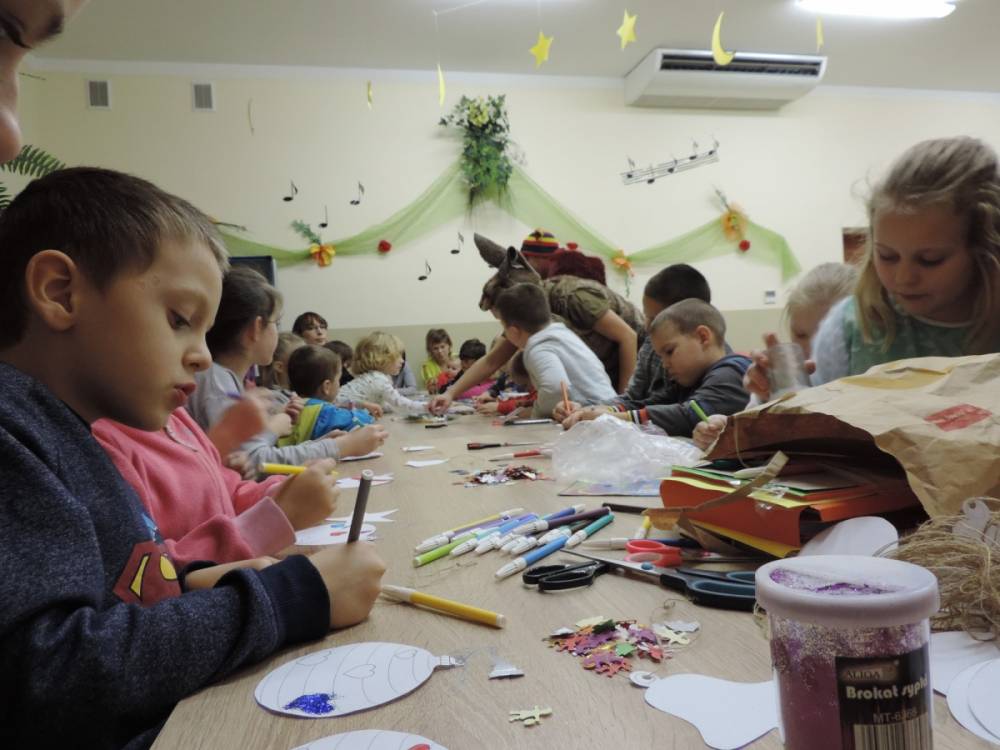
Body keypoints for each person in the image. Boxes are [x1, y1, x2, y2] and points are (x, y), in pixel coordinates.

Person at [0, 167, 385, 749]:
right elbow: (51, 675)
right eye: (180, 320)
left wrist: (192, 582)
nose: (203, 356)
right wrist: (288, 599)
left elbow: (122, 588)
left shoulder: (70, 433)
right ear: (60, 292)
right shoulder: (14, 435)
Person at [744, 136, 1000, 402]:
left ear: (986, 252)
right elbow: (811, 414)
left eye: (930, 260)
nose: (903, 277)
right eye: (887, 256)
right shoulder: (850, 328)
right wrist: (773, 394)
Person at [94, 400, 338, 567]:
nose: (205, 357)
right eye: (177, 328)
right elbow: (156, 576)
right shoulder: (99, 446)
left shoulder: (176, 415)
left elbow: (229, 493)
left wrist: (282, 493)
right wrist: (276, 518)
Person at [185, 267, 387, 467]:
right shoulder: (217, 385)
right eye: (277, 322)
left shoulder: (223, 379)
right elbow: (248, 464)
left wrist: (319, 445)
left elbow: (253, 453)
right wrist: (340, 447)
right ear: (256, 329)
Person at [693, 262, 857, 449]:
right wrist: (728, 429)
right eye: (800, 335)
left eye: (826, 337)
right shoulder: (784, 376)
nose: (811, 349)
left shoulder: (868, 379)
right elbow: (755, 434)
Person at [556, 263, 713, 428]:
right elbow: (633, 400)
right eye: (646, 316)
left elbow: (682, 414)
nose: (647, 326)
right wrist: (586, 410)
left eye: (655, 319)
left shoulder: (713, 369)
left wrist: (615, 415)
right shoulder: (650, 345)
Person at [619, 299, 751, 437]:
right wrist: (613, 410)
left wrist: (621, 418)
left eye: (669, 352)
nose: (664, 364)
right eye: (661, 357)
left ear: (703, 337)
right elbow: (655, 402)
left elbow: (689, 416)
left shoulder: (733, 371)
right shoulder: (692, 379)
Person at [494, 283, 616, 418]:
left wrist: (536, 413)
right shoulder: (562, 334)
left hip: (592, 417)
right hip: (608, 408)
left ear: (513, 331)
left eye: (503, 326)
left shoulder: (539, 347)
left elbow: (554, 388)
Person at [285, 344, 375, 443]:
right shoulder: (325, 412)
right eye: (338, 379)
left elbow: (338, 403)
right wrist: (367, 413)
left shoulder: (290, 405)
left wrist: (360, 404)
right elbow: (360, 420)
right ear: (326, 386)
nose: (339, 384)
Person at [338, 331, 429, 415]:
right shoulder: (378, 379)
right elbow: (399, 403)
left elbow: (385, 404)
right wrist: (427, 407)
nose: (402, 361)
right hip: (339, 412)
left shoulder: (373, 377)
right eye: (398, 356)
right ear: (382, 358)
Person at [421, 328, 458, 393]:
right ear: (430, 350)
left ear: (449, 345)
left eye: (442, 347)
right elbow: (431, 390)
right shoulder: (427, 366)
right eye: (435, 348)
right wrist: (431, 386)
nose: (440, 351)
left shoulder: (458, 358)